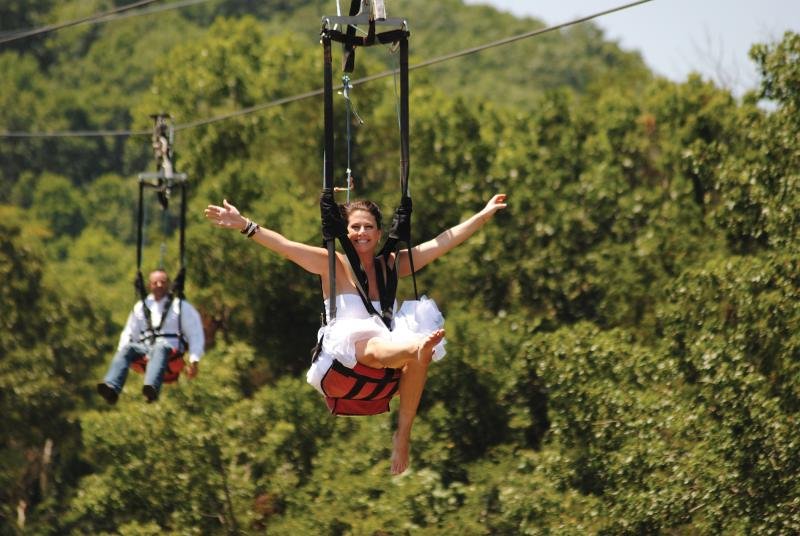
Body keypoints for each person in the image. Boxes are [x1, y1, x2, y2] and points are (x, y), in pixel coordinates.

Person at [204, 193, 507, 474]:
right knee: (380, 343)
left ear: (379, 233)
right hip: (343, 353)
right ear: (345, 232)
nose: (362, 233)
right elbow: (285, 246)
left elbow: (442, 243)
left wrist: (483, 215)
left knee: (415, 352)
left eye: (368, 227)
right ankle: (414, 348)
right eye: (355, 227)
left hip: (386, 355)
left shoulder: (391, 265)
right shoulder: (332, 263)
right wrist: (244, 225)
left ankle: (403, 435)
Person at [97, 269, 205, 404]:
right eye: (155, 282)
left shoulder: (180, 306)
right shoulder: (140, 307)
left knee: (160, 346)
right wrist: (121, 352)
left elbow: (195, 334)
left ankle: (151, 388)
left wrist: (194, 361)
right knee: (127, 348)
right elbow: (129, 332)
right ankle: (112, 388)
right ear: (149, 285)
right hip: (146, 350)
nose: (159, 285)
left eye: (163, 282)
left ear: (169, 284)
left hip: (170, 351)